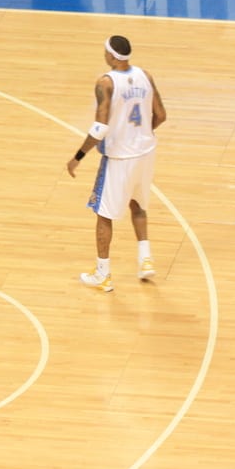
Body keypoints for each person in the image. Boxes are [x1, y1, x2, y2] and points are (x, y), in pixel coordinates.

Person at [66, 35, 165, 292]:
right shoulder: (145, 75)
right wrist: (140, 134)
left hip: (120, 158)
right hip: (145, 152)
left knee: (104, 214)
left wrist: (78, 157)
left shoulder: (106, 83)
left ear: (111, 55)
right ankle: (145, 260)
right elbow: (161, 115)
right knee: (139, 204)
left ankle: (103, 274)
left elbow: (100, 128)